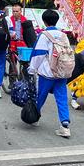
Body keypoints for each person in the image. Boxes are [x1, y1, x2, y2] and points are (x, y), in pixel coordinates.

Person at [28, 9, 71, 138]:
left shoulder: (44, 35)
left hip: (47, 73)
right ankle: (65, 125)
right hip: (62, 72)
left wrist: (31, 69)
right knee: (62, 98)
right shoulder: (63, 35)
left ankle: (34, 118)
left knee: (40, 96)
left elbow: (38, 54)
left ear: (44, 21)